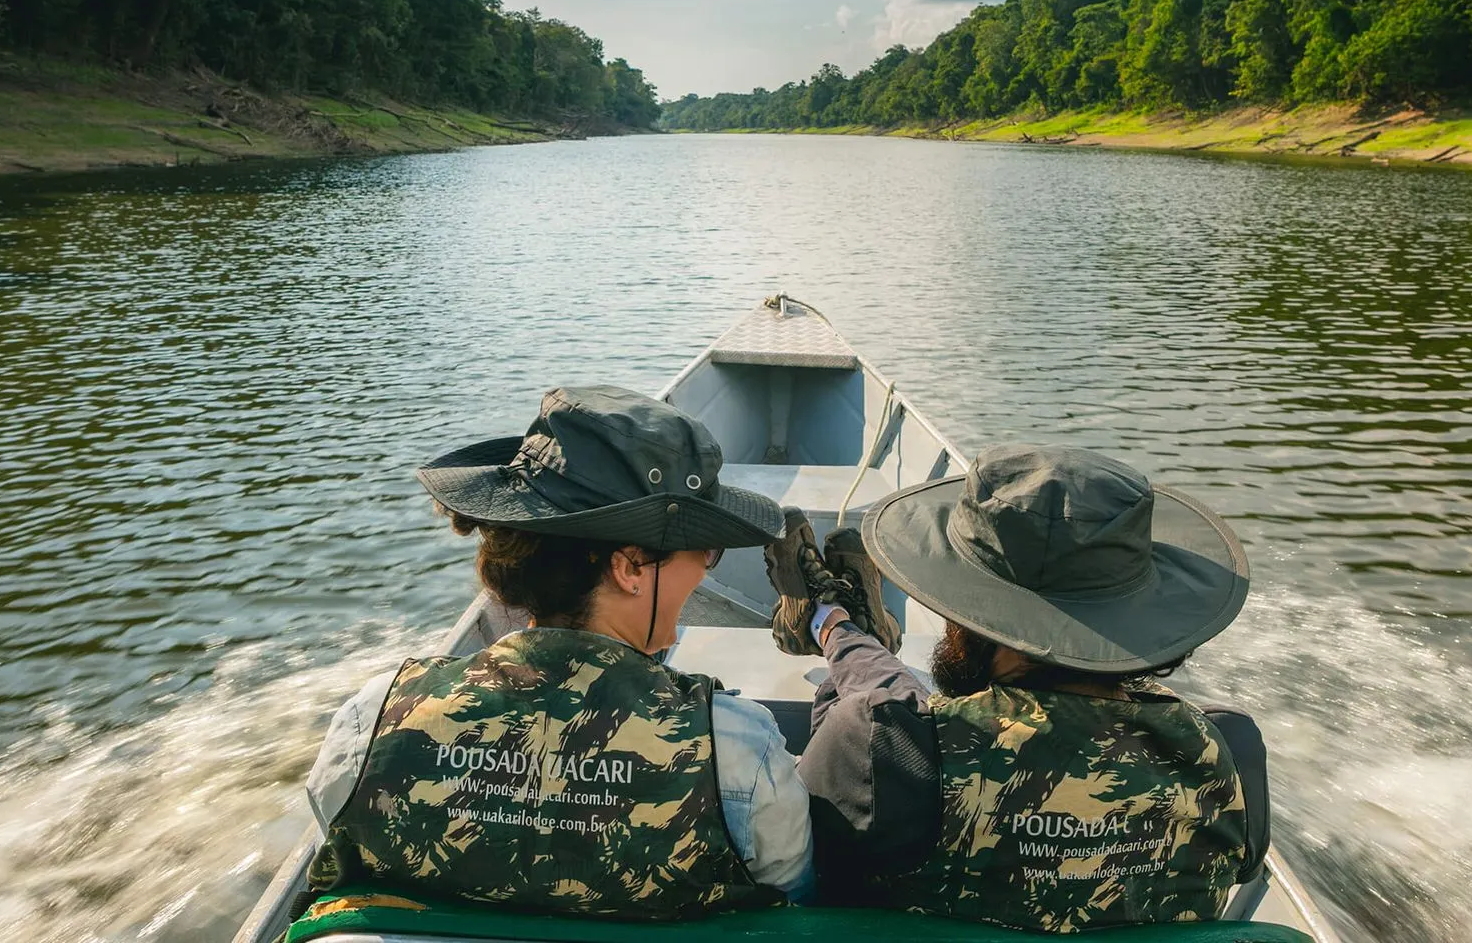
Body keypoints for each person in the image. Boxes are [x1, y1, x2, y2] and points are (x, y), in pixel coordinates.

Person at [297, 386, 813, 926]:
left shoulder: (369, 723)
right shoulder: (735, 751)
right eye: (705, 550)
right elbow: (791, 906)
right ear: (631, 566)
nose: (706, 570)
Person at [769, 444, 1269, 933]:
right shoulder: (1229, 753)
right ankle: (842, 624)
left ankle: (832, 622)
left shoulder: (886, 747)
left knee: (879, 715)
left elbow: (800, 877)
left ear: (969, 615)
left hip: (884, 762)